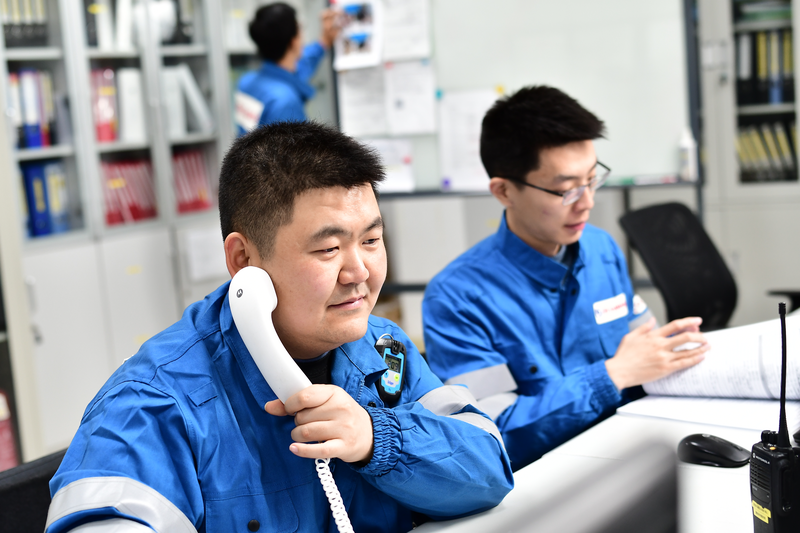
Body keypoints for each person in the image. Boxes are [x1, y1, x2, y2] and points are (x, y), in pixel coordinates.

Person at [46, 122, 513, 532]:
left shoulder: (384, 348)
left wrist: (376, 438)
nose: (360, 272)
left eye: (372, 240)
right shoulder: (155, 401)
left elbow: (490, 469)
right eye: (329, 249)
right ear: (243, 260)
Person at [422, 86, 710, 471]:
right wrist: (612, 375)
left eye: (592, 179)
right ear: (504, 191)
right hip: (547, 480)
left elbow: (650, 351)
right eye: (565, 190)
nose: (587, 201)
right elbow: (494, 434)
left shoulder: (601, 249)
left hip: (630, 452)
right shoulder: (456, 298)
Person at [234, 3, 339, 132]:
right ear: (293, 41)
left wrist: (324, 43)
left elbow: (300, 67)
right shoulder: (285, 103)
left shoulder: (246, 82)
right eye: (300, 28)